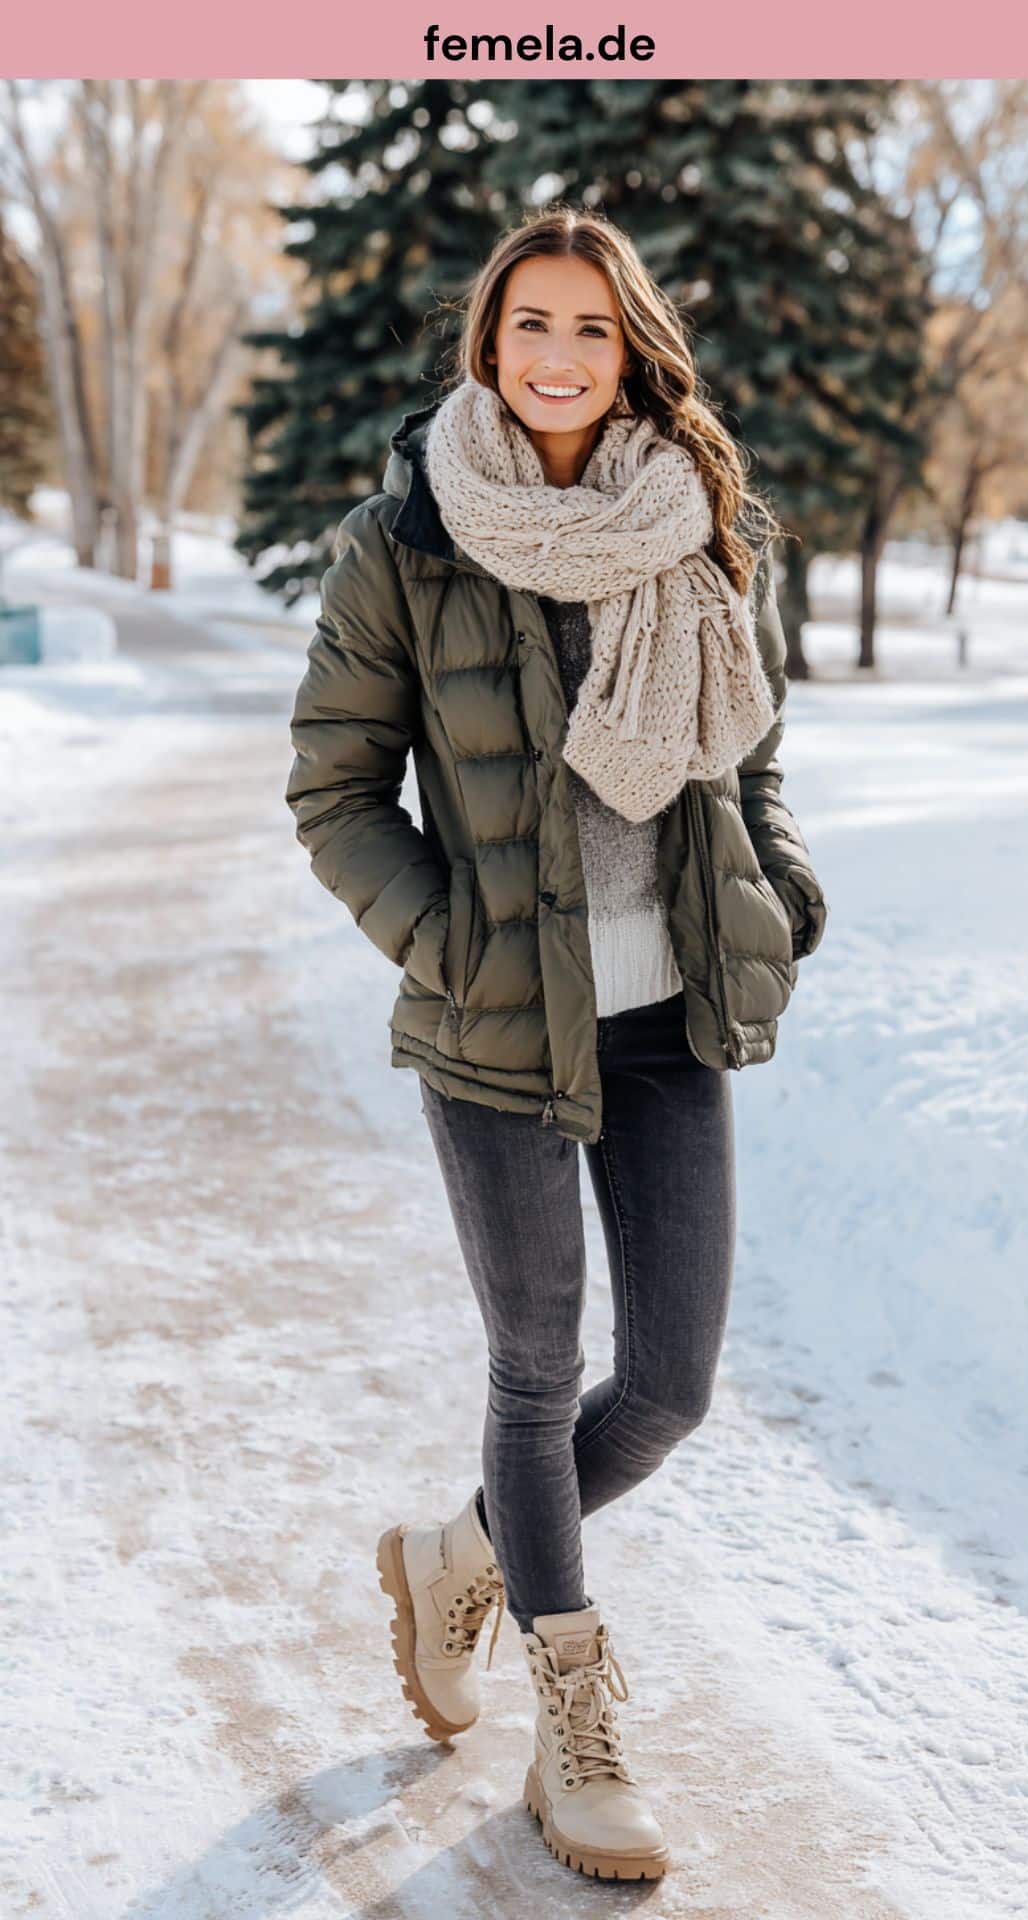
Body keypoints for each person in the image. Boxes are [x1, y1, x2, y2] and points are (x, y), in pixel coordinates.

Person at [285, 205, 828, 1884]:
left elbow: (748, 752)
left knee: (667, 1387)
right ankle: (571, 1723)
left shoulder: (695, 520)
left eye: (592, 326)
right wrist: (451, 945)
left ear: (631, 345)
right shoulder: (410, 538)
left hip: (670, 1014)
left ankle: (463, 1550)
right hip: (501, 1019)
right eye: (532, 322)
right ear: (489, 340)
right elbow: (334, 789)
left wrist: (781, 882)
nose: (560, 355)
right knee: (535, 1369)